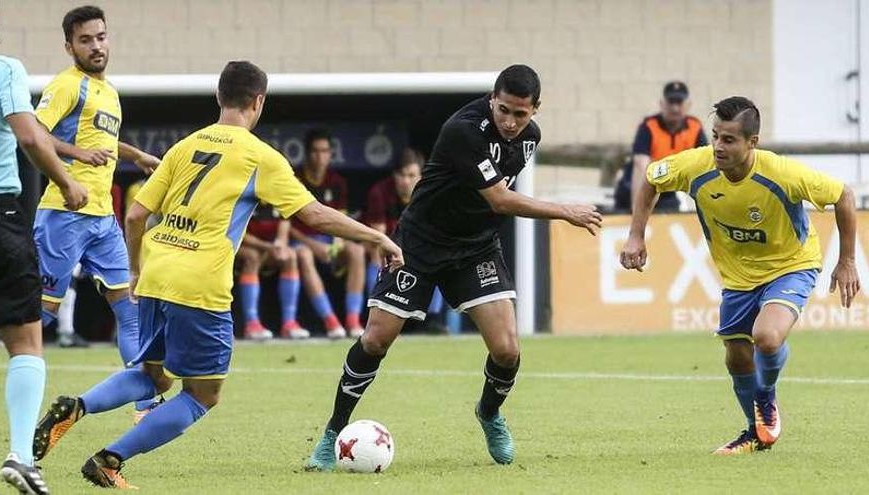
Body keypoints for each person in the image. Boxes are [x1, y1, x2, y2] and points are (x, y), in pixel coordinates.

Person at [31, 60, 403, 488]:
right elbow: (315, 215)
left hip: (156, 274)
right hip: (200, 286)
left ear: (218, 97)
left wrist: (135, 270)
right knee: (201, 395)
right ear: (258, 101)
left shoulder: (184, 146)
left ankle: (76, 405)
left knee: (153, 375)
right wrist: (378, 240)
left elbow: (135, 216)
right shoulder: (259, 156)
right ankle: (110, 459)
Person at [305, 64, 602, 470]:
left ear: (535, 110)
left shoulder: (529, 138)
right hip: (419, 245)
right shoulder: (464, 129)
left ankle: (489, 413)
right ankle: (331, 433)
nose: (511, 122)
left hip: (475, 249)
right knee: (375, 340)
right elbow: (499, 199)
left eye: (521, 113)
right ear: (492, 98)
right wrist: (563, 210)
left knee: (507, 349)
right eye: (504, 110)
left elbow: (493, 201)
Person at [620, 96, 860, 454]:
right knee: (736, 354)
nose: (718, 146)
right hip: (737, 276)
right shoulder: (696, 165)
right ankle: (755, 432)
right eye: (715, 136)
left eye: (729, 139)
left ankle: (766, 399)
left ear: (753, 143)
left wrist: (847, 260)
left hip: (790, 265)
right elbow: (652, 180)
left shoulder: (781, 173)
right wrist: (637, 234)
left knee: (765, 336)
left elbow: (844, 195)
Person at [32, 5, 162, 422]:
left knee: (128, 307)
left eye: (101, 37)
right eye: (86, 40)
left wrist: (137, 154)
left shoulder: (109, 91)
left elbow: (103, 140)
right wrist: (77, 155)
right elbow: (35, 135)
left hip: (103, 218)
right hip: (63, 216)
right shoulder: (67, 86)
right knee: (40, 316)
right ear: (69, 46)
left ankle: (145, 402)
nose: (96, 46)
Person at [0, 1, 89, 492]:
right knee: (26, 341)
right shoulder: (3, 69)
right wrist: (67, 183)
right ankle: (21, 456)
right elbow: (30, 137)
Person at [290, 128, 366, 339]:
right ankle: (330, 321)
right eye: (315, 151)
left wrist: (337, 245)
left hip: (328, 240)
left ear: (331, 154)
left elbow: (339, 221)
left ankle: (352, 320)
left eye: (324, 151)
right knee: (304, 255)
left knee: (356, 252)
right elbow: (287, 226)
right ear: (307, 153)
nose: (320, 156)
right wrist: (315, 246)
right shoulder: (294, 179)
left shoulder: (337, 181)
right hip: (301, 241)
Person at [363, 147, 447, 331]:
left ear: (420, 176)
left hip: (419, 254)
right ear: (394, 175)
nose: (406, 181)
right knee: (375, 262)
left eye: (411, 175)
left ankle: (432, 321)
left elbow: (435, 238)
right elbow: (379, 240)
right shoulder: (379, 192)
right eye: (402, 175)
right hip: (388, 254)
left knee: (441, 260)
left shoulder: (431, 195)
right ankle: (375, 317)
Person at [614, 81, 707, 212]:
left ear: (688, 105)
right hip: (638, 185)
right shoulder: (649, 126)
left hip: (667, 190)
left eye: (679, 103)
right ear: (662, 104)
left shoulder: (695, 127)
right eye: (671, 102)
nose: (675, 108)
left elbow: (705, 164)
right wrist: (637, 209)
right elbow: (640, 165)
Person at [236, 206, 309, 340]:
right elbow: (238, 231)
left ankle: (289, 323)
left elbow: (284, 224)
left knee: (290, 256)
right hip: (239, 245)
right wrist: (267, 247)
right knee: (252, 256)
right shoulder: (245, 194)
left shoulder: (276, 192)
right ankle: (251, 324)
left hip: (269, 248)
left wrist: (279, 244)